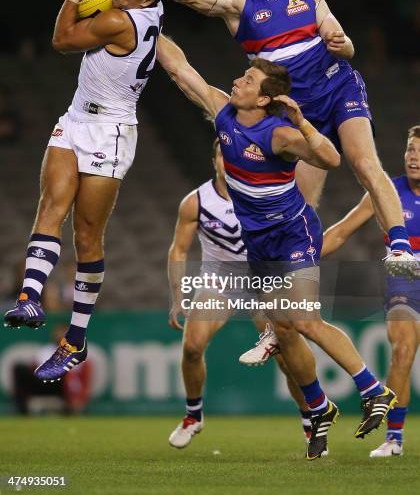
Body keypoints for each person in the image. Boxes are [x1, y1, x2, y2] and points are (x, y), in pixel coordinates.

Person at [157, 33, 396, 459]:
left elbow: (330, 159)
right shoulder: (224, 114)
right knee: (284, 331)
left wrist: (302, 121)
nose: (238, 80)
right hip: (259, 243)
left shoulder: (280, 134)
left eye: (248, 79)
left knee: (303, 320)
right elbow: (181, 70)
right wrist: (149, 21)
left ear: (265, 98)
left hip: (293, 233)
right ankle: (319, 407)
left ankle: (374, 390)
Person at [122, 0, 415, 277]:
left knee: (365, 163)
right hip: (295, 111)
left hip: (338, 87)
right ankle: (286, 317)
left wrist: (344, 44)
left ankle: (400, 249)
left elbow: (343, 42)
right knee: (297, 212)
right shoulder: (239, 5)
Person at [4, 0, 172, 382]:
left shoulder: (119, 22)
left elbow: (62, 40)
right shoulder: (153, 5)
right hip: (76, 119)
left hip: (110, 131)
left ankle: (75, 340)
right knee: (49, 208)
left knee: (86, 234)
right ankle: (29, 297)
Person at [168, 138, 311, 449]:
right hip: (220, 282)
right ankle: (194, 415)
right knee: (192, 347)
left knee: (286, 357)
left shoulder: (263, 193)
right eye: (222, 155)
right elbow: (179, 250)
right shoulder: (196, 201)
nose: (228, 160)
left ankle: (310, 419)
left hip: (263, 281)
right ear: (215, 161)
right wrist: (177, 296)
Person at [322, 125, 420, 457]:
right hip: (404, 280)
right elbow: (341, 232)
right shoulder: (385, 190)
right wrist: (298, 255)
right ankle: (394, 439)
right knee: (403, 348)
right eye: (410, 150)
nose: (414, 157)